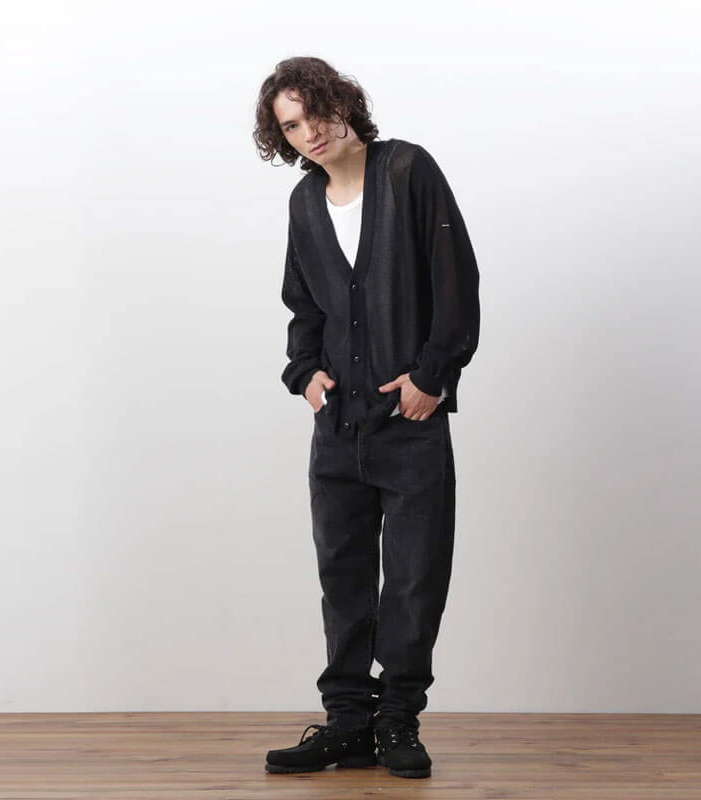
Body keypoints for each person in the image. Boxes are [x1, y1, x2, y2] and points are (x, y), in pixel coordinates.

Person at [253, 56, 480, 780]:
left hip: (409, 423)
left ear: (344, 103)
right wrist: (305, 374)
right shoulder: (305, 203)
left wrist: (432, 377)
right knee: (344, 578)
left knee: (414, 578)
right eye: (292, 126)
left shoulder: (407, 171)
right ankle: (348, 722)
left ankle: (397, 721)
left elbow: (456, 280)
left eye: (315, 112)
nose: (309, 133)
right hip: (337, 427)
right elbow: (304, 302)